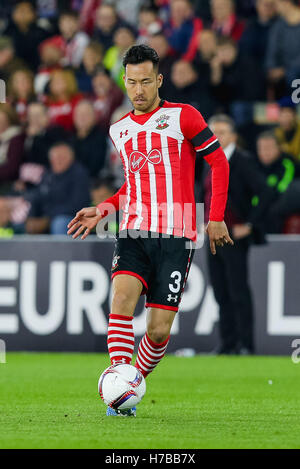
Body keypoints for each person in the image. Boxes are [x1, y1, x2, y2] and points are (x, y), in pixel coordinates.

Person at [67, 44, 233, 417]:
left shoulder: (183, 116)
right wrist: (104, 209)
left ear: (159, 80)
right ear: (123, 82)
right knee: (121, 301)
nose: (138, 90)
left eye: (145, 81)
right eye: (131, 82)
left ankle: (129, 385)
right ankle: (118, 390)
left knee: (158, 332)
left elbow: (218, 162)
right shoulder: (119, 130)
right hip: (134, 232)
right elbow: (133, 186)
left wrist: (216, 215)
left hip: (177, 235)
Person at [204, 114, 273, 355]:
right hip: (212, 234)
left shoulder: (242, 161)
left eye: (222, 132)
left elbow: (265, 190)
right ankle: (227, 343)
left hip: (233, 234)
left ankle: (245, 344)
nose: (217, 137)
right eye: (213, 132)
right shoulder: (207, 161)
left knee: (238, 290)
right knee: (220, 290)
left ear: (233, 136)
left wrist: (250, 224)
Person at [26, 142, 90, 235]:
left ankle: (62, 250)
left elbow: (78, 205)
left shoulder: (79, 174)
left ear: (71, 158)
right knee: (24, 225)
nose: (57, 161)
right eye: (54, 158)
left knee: (59, 223)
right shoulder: (48, 175)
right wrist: (32, 217)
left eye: (61, 158)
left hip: (71, 218)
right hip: (47, 218)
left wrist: (48, 219)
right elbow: (37, 197)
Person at [255, 131, 300, 233]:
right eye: (261, 148)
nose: (265, 152)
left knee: (272, 210)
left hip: (286, 199)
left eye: (269, 148)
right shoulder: (254, 164)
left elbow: (282, 188)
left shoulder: (287, 162)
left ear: (279, 148)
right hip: (266, 201)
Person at [71, 100, 107, 178]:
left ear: (95, 117)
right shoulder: (70, 138)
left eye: (86, 114)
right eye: (79, 114)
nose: (82, 118)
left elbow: (95, 168)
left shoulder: (100, 139)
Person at [274, 97, 300, 161]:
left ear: (294, 115)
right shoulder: (276, 133)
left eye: (288, 114)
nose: (285, 118)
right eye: (282, 114)